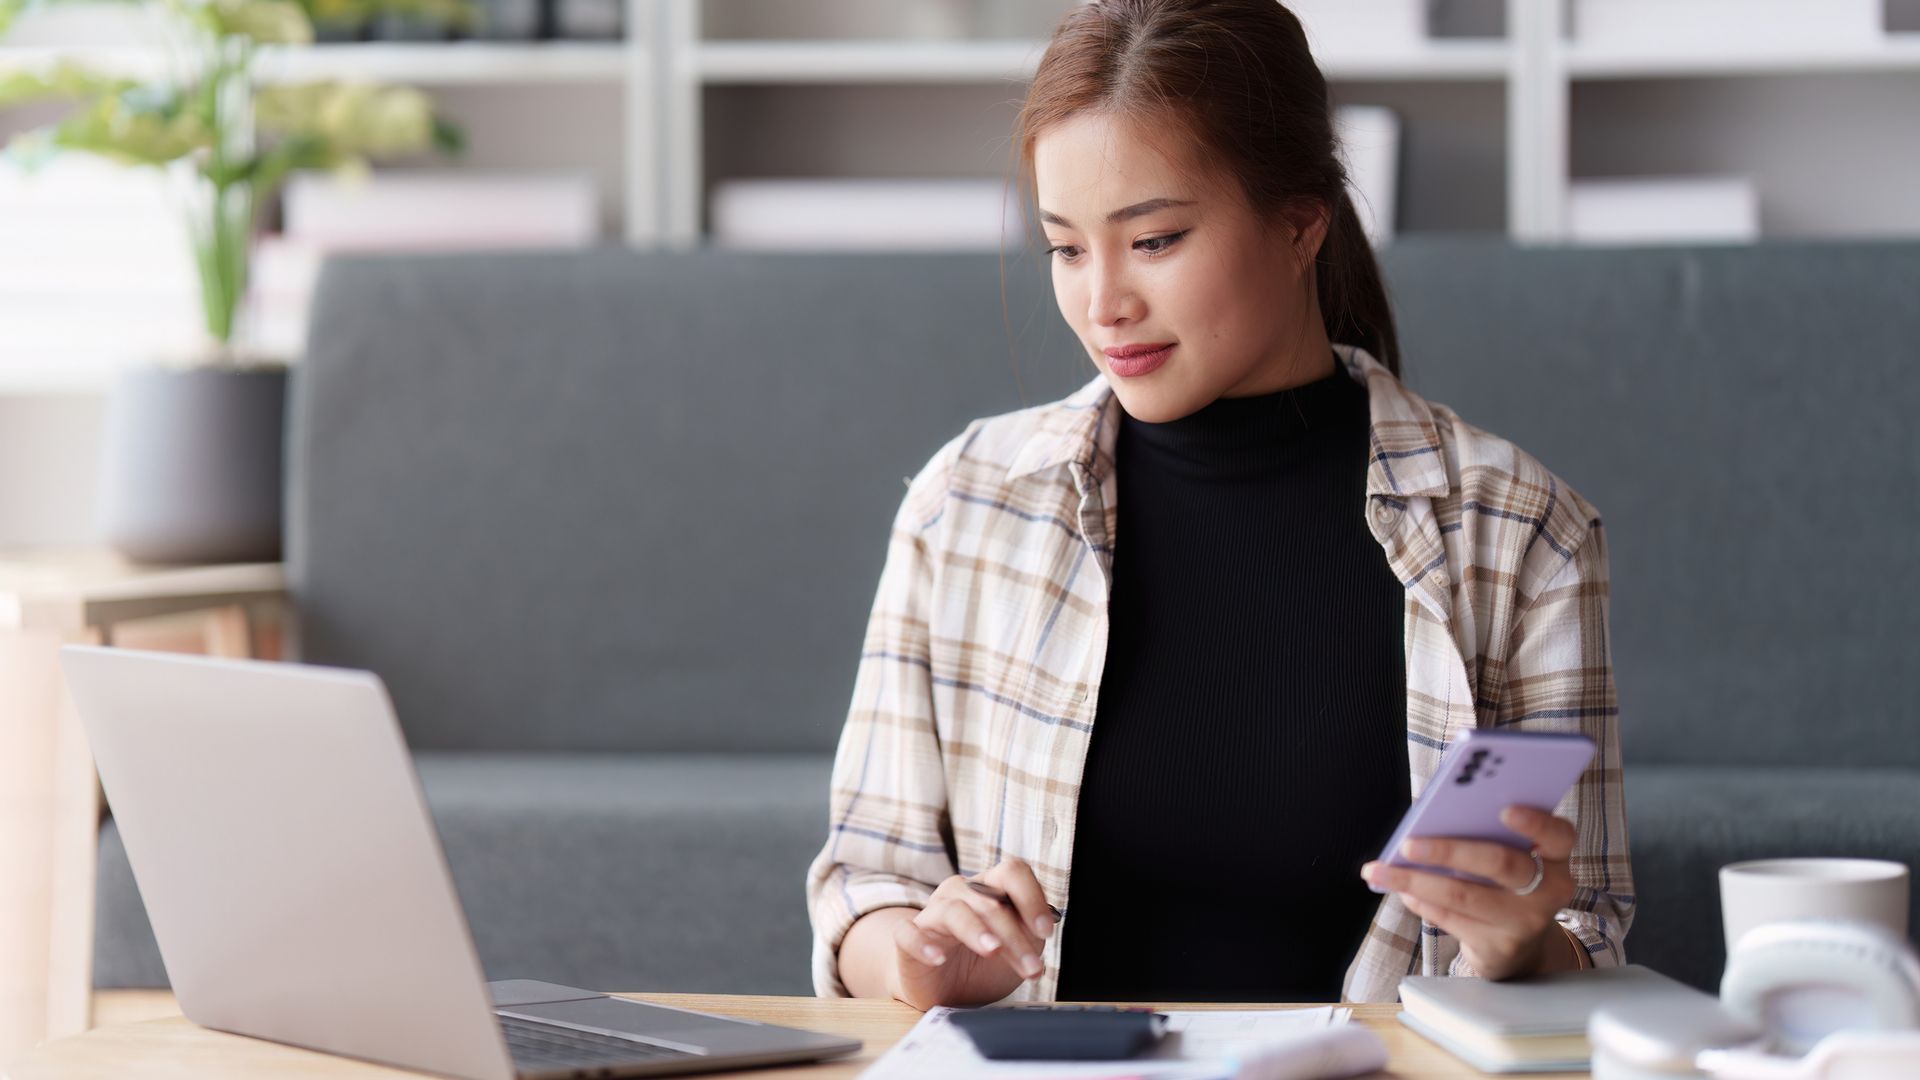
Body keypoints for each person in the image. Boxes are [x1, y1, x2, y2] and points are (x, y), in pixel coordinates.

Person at [804, 0, 1634, 1010]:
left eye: (1153, 240)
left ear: (1299, 223)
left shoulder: (1516, 532)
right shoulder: (967, 503)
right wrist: (917, 957)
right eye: (1067, 248)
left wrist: (1520, 945)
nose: (1103, 301)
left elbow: (1586, 935)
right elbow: (865, 882)